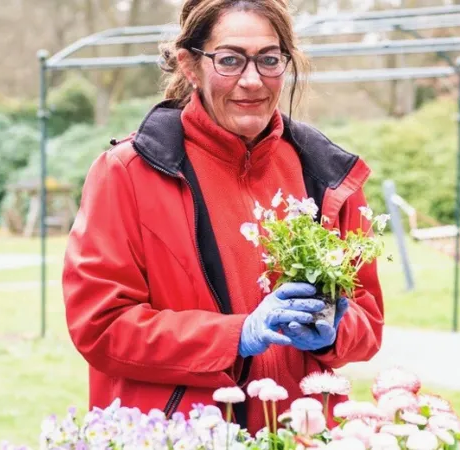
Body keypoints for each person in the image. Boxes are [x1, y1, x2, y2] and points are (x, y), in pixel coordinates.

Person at [62, 0, 384, 434]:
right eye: (229, 60)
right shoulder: (127, 174)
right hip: (179, 436)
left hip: (300, 435)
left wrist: (335, 332)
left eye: (269, 60)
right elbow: (102, 326)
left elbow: (368, 319)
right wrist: (237, 335)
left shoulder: (328, 175)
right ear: (190, 65)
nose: (252, 81)